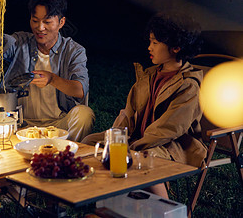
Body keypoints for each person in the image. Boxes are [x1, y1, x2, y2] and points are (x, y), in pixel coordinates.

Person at [82, 12, 207, 198]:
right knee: (89, 143)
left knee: (143, 157)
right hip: (137, 139)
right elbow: (129, 113)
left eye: (155, 43)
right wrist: (116, 139)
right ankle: (108, 196)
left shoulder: (188, 85)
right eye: (150, 41)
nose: (149, 47)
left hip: (172, 146)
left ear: (176, 47)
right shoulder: (148, 76)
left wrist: (133, 146)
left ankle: (164, 206)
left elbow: (169, 129)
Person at [0, 0, 95, 142]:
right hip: (21, 125)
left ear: (61, 22)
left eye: (47, 22)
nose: (40, 28)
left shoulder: (74, 51)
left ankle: (65, 152)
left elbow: (79, 90)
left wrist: (52, 79)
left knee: (84, 114)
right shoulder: (21, 42)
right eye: (35, 20)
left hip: (59, 124)